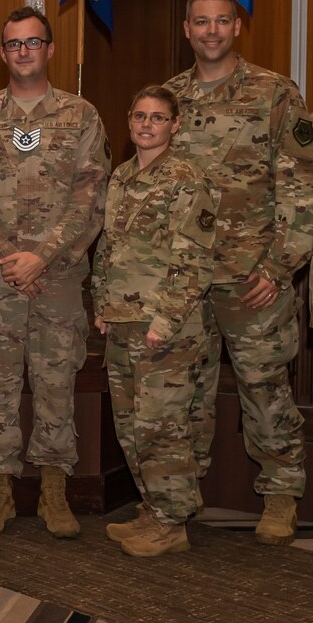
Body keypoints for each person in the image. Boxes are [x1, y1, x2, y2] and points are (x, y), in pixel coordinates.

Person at [164, 0, 313, 545]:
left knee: (263, 385)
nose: (211, 31)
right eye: (201, 22)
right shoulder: (168, 98)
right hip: (183, 278)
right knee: (183, 390)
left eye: (221, 21)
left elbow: (302, 188)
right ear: (187, 30)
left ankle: (280, 494)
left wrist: (279, 269)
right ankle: (180, 498)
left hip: (253, 275)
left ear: (236, 27)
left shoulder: (274, 92)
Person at [0, 6, 107, 539]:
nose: (23, 52)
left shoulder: (81, 116)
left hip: (58, 277)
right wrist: (6, 255)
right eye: (14, 44)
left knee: (55, 383)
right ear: (2, 53)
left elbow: (92, 196)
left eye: (33, 42)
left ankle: (54, 492)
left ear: (50, 49)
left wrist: (42, 254)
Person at [90, 86, 219, 557]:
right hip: (123, 321)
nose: (147, 125)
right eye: (140, 116)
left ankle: (172, 522)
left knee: (162, 426)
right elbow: (108, 247)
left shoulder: (186, 178)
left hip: (164, 325)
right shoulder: (122, 176)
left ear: (176, 124)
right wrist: (102, 305)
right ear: (129, 120)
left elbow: (195, 259)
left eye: (158, 118)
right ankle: (152, 507)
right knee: (132, 425)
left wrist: (164, 321)